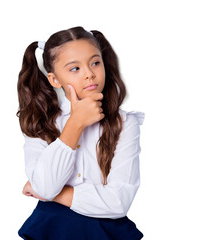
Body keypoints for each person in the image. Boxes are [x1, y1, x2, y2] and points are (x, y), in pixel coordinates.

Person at [16, 26, 145, 240]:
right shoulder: (39, 122)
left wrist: (54, 195)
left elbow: (118, 201)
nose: (89, 74)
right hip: (50, 230)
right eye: (74, 68)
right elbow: (46, 187)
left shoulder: (125, 124)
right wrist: (75, 124)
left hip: (106, 232)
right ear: (54, 79)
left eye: (95, 62)